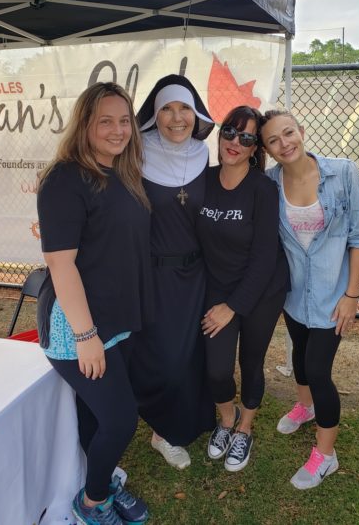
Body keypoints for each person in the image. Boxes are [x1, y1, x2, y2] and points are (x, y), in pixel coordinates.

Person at [37, 82, 152, 525]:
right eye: (105, 121)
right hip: (78, 325)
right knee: (122, 419)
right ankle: (91, 503)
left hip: (112, 318)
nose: (118, 130)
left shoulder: (122, 172)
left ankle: (96, 481)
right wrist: (87, 337)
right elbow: (60, 265)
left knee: (96, 412)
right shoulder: (65, 178)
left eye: (124, 120)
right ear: (84, 124)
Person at [260, 109, 359, 490]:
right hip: (294, 296)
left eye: (288, 133)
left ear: (301, 131)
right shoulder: (268, 184)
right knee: (299, 358)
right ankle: (305, 408)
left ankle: (326, 455)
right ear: (267, 149)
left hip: (332, 296)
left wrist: (351, 295)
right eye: (273, 140)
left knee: (319, 370)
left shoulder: (342, 172)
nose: (284, 143)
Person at [196, 105, 289, 472]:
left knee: (251, 360)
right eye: (231, 132)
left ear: (255, 149)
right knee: (217, 369)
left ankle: (245, 427)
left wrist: (233, 306)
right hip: (218, 286)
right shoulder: (202, 179)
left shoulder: (262, 189)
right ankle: (226, 417)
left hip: (262, 289)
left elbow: (265, 258)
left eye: (247, 138)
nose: (235, 142)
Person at [130, 74, 216, 469]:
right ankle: (160, 429)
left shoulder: (203, 154)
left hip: (196, 276)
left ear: (195, 112)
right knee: (163, 356)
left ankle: (183, 426)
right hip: (154, 275)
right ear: (154, 114)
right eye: (167, 108)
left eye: (184, 108)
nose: (176, 118)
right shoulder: (135, 153)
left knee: (192, 355)